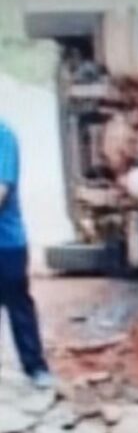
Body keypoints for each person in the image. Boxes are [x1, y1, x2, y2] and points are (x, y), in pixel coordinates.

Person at [0, 119, 53, 389]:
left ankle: (35, 367)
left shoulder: (3, 136)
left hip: (6, 243)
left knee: (17, 304)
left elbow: (1, 191)